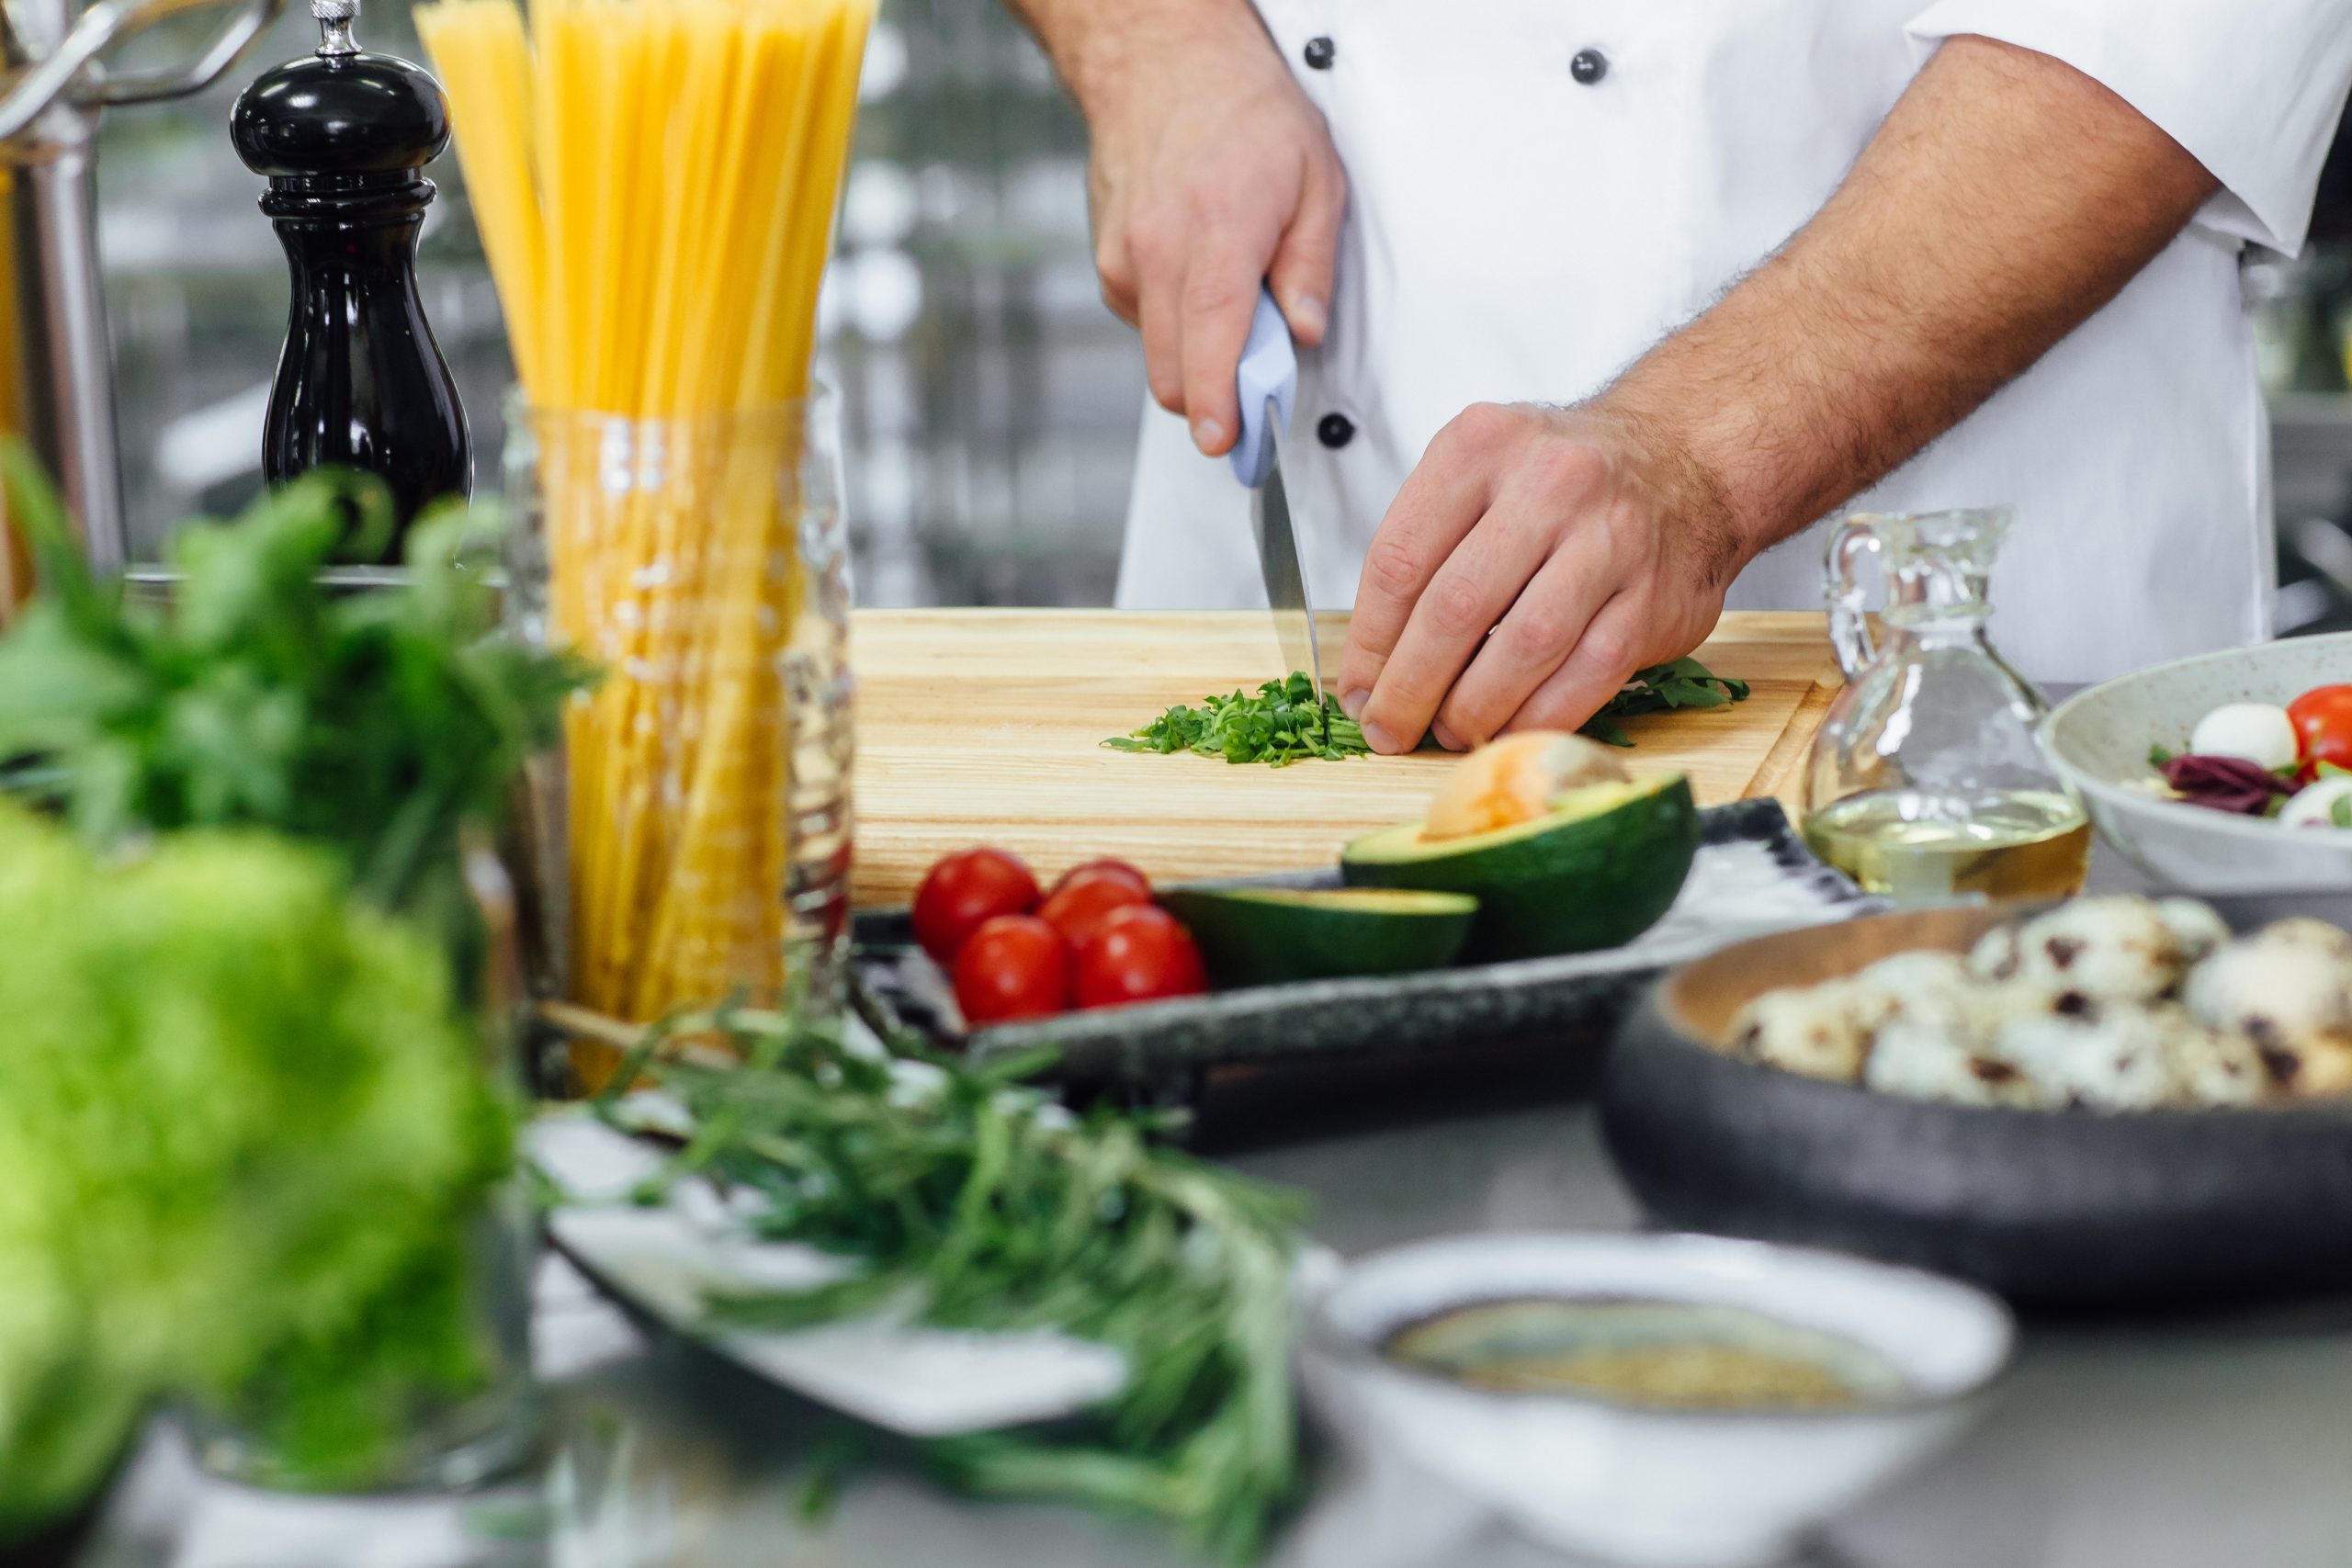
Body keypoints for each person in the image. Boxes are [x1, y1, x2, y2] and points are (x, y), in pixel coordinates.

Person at [1003, 0, 2352, 753]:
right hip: (1270, 524)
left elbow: (2165, 35)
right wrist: (1151, 49)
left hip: (1926, 704)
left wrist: (1701, 453)